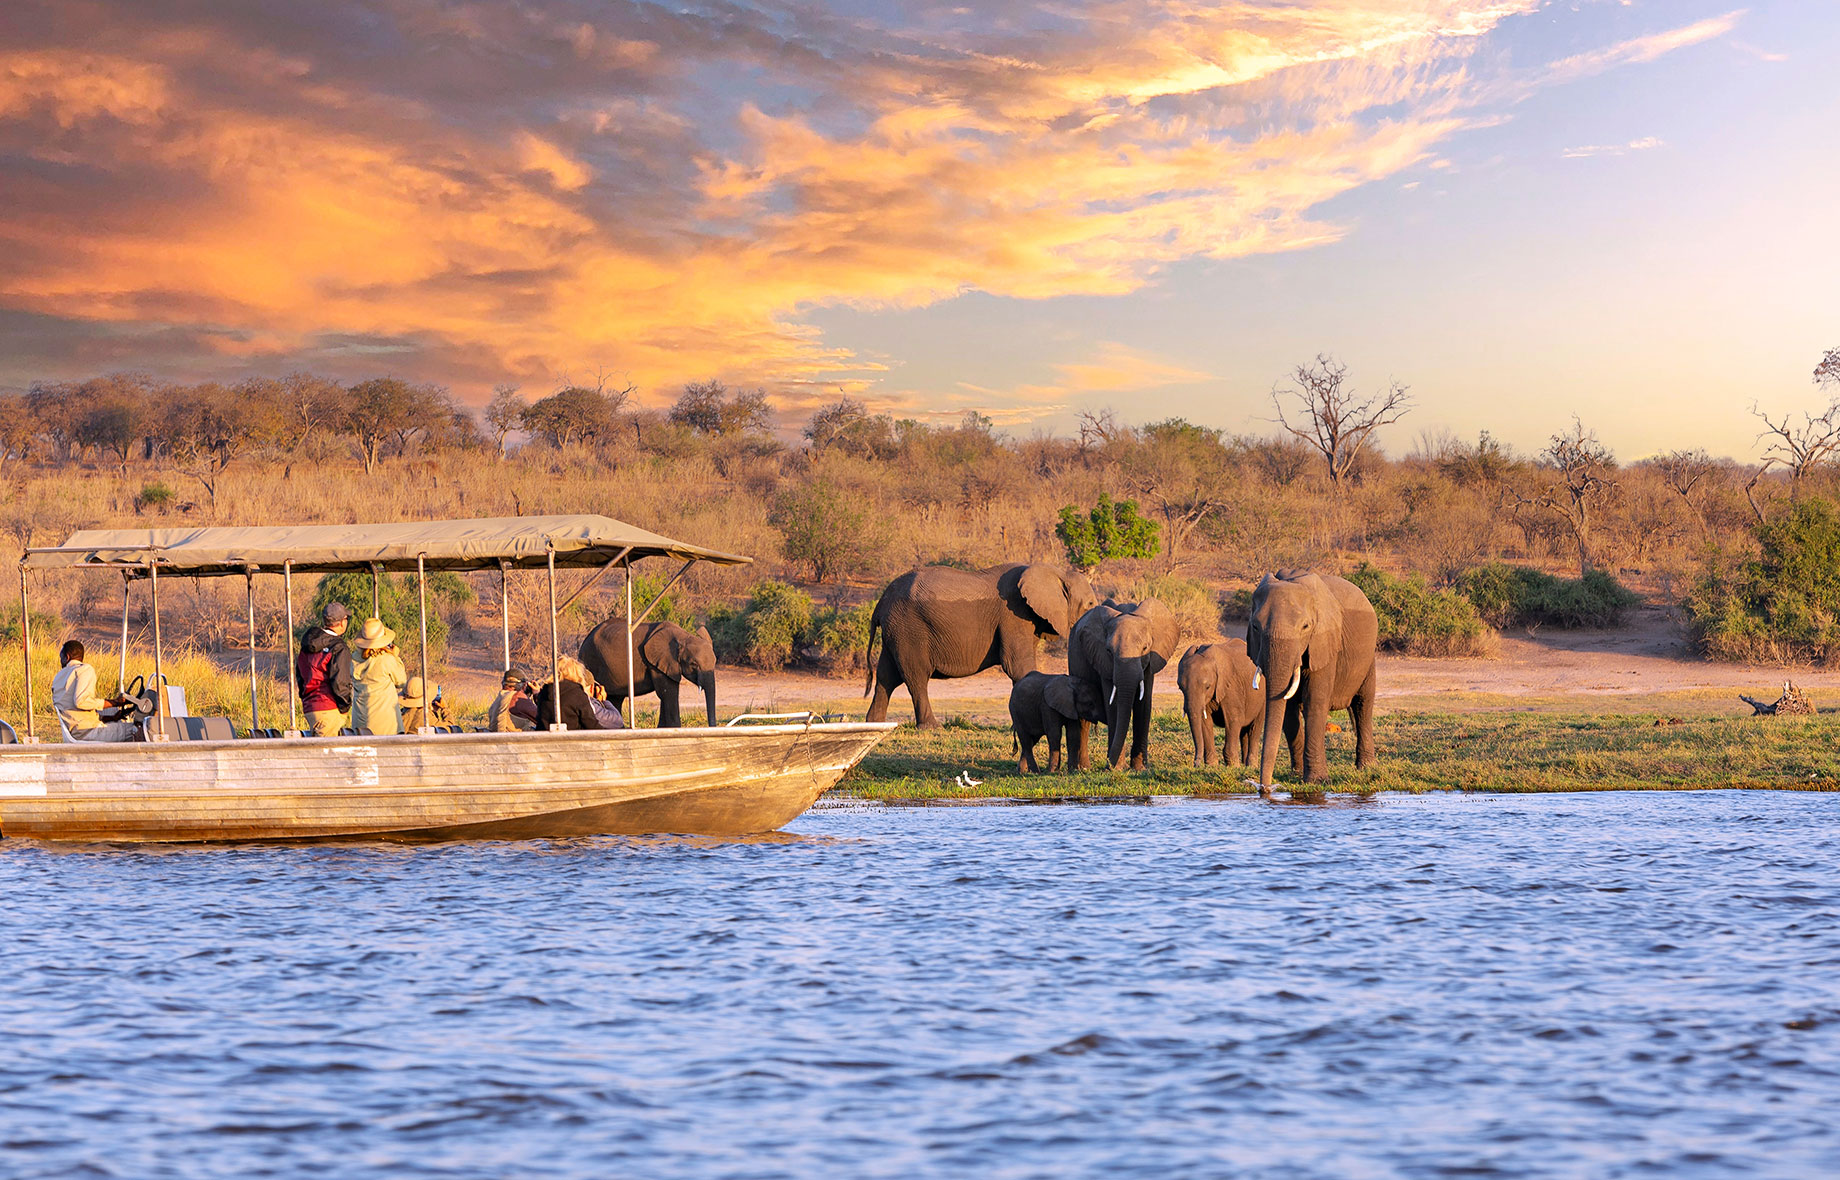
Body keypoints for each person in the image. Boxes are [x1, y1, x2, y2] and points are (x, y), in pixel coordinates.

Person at [51, 640, 140, 742]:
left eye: (60, 658)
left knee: (116, 716)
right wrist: (115, 702)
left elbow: (77, 714)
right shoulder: (84, 669)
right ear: (68, 657)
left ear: (66, 657)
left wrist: (112, 718)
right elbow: (81, 702)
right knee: (138, 729)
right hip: (88, 732)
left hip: (76, 732)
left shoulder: (58, 677)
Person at [297, 602, 353, 736]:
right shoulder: (338, 647)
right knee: (326, 754)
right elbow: (340, 681)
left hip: (310, 707)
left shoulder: (307, 645)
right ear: (341, 623)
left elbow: (300, 675)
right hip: (329, 707)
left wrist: (306, 698)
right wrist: (345, 706)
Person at [350, 618, 406, 736]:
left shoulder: (353, 659)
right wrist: (396, 657)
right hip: (385, 723)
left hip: (360, 721)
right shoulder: (386, 659)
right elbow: (401, 681)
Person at [530, 656, 606, 731]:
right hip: (572, 740)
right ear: (576, 673)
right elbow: (591, 724)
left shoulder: (544, 693)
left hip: (545, 740)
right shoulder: (578, 694)